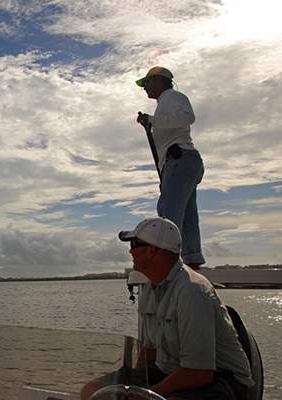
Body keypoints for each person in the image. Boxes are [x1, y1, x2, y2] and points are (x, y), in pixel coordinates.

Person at [81, 216, 253, 400]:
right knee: (95, 390)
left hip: (221, 378)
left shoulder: (192, 292)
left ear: (151, 251)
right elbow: (150, 352)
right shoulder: (149, 289)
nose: (130, 252)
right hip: (170, 370)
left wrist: (147, 395)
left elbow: (200, 373)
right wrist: (131, 387)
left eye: (133, 245)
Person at [136, 67, 205, 270]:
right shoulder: (164, 102)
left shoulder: (171, 96)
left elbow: (187, 116)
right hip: (182, 161)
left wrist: (153, 120)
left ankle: (167, 261)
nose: (145, 89)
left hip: (180, 159)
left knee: (168, 213)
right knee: (188, 216)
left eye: (147, 83)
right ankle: (192, 261)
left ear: (159, 80)